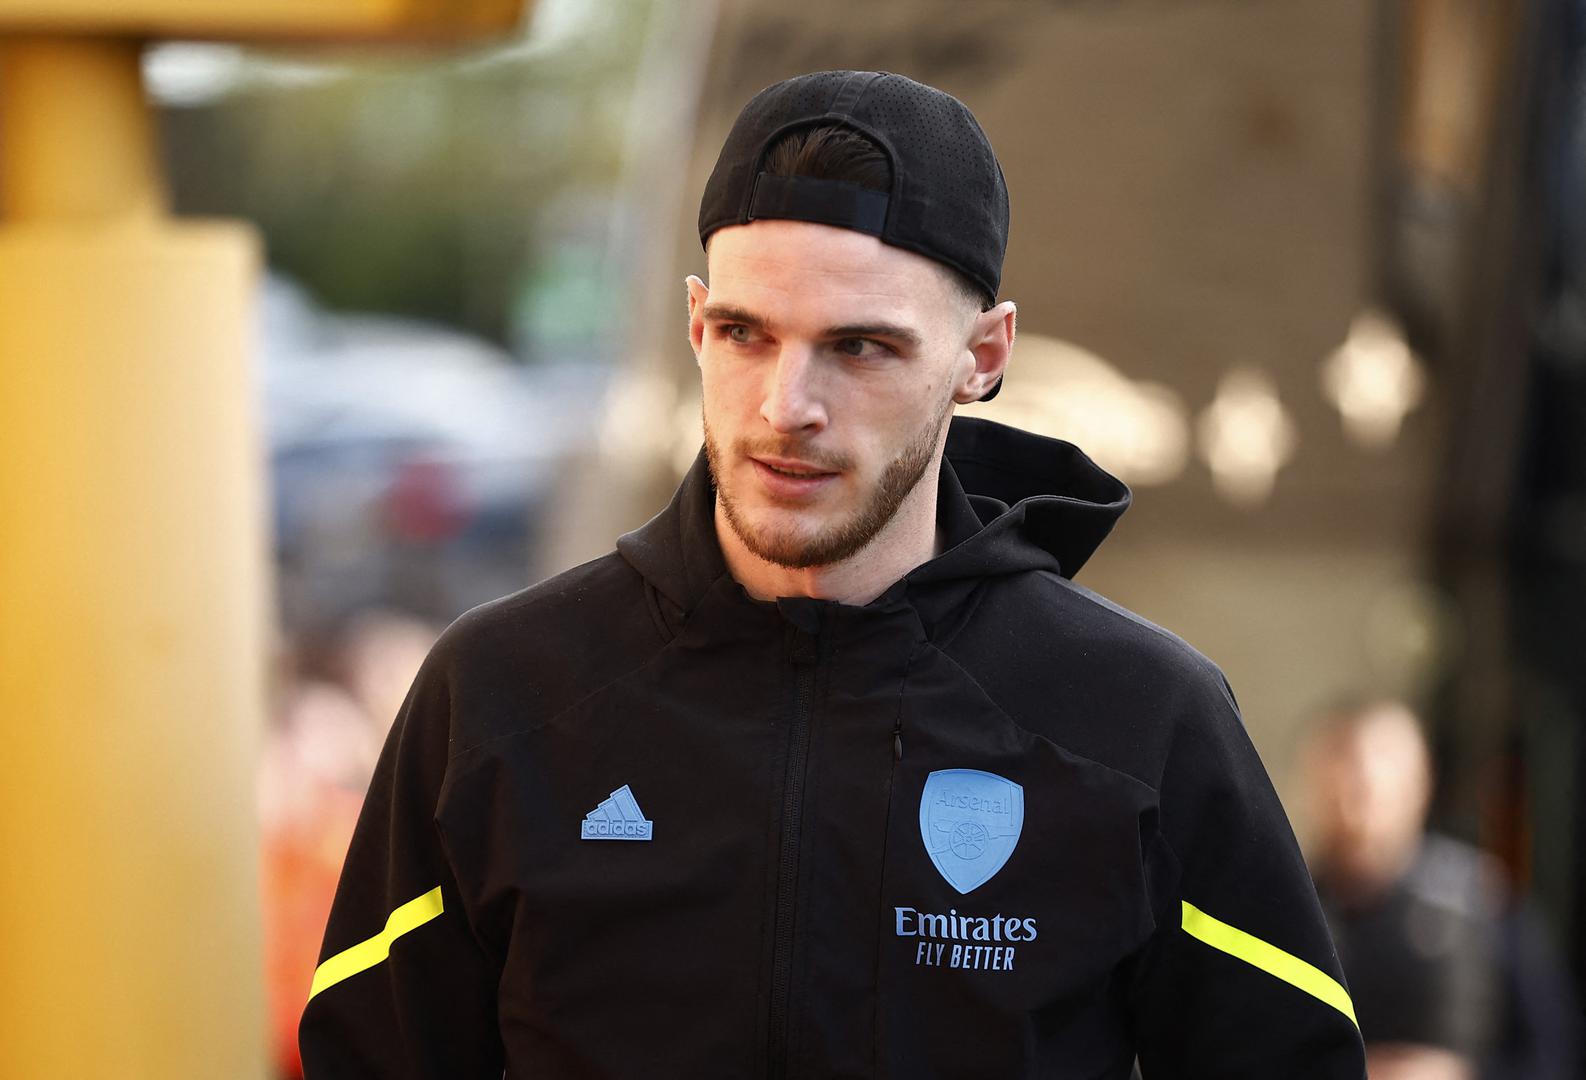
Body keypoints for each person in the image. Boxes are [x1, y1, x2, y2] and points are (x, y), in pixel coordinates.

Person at [299, 70, 1367, 1077]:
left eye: (859, 347)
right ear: (693, 324)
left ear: (981, 358)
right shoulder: (499, 696)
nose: (785, 406)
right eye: (744, 333)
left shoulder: (1140, 720)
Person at [1303, 698, 1582, 1080]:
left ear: (1419, 784)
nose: (1357, 804)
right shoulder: (1290, 910)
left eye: (1375, 782)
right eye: (1344, 774)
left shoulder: (1482, 901)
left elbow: (1553, 1050)